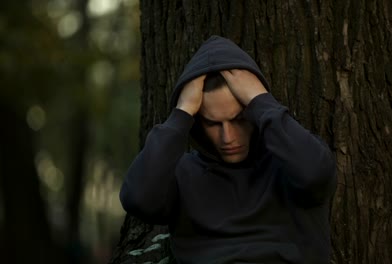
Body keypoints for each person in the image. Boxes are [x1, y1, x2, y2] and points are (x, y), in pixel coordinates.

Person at [120, 35, 337, 264]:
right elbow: (138, 199)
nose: (228, 137)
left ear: (254, 113)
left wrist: (261, 101)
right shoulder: (182, 174)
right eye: (213, 123)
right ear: (198, 123)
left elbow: (317, 175)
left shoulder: (293, 164)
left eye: (239, 119)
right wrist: (181, 113)